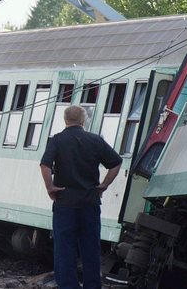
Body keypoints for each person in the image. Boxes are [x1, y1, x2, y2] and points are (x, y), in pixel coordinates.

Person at [39, 105, 122, 289]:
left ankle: (69, 286)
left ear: (65, 120)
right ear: (84, 121)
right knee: (91, 249)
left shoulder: (57, 140)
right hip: (90, 203)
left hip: (65, 203)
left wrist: (50, 187)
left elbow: (45, 165)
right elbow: (116, 163)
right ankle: (93, 286)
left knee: (64, 249)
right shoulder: (95, 140)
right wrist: (104, 185)